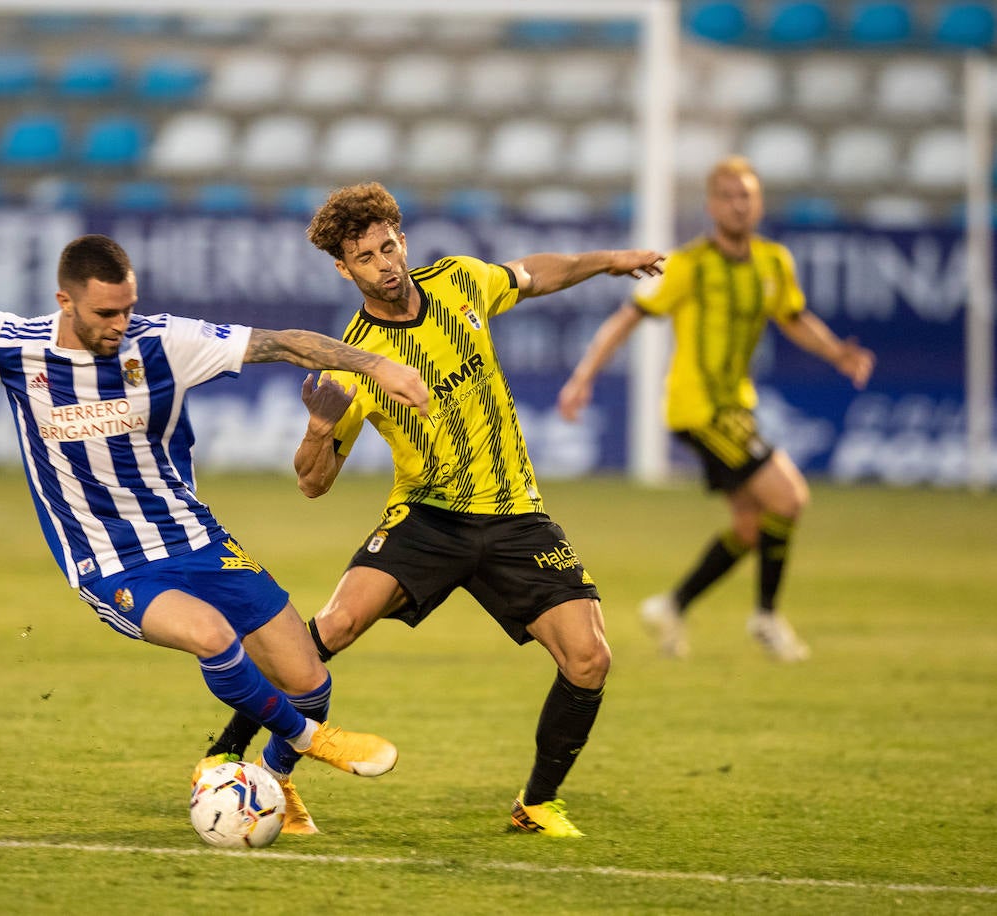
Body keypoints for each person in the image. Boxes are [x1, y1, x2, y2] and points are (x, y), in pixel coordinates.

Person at [0, 234, 433, 820]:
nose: (121, 323)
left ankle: (266, 778)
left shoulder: (166, 343)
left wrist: (379, 366)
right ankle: (309, 739)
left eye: (128, 308)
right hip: (110, 560)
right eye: (106, 312)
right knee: (211, 635)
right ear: (65, 302)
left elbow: (283, 343)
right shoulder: (14, 345)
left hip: (195, 538)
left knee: (310, 677)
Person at [197, 181, 665, 838]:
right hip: (427, 519)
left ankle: (536, 802)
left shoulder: (460, 284)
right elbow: (312, 484)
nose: (384, 264)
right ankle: (226, 752)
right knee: (334, 624)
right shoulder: (354, 361)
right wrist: (315, 430)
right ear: (344, 269)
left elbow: (534, 274)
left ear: (403, 240)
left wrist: (610, 260)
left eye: (388, 247)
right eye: (365, 257)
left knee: (589, 658)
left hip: (515, 516)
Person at [558, 155, 875, 662]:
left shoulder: (774, 263)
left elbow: (793, 318)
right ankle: (766, 616)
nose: (737, 204)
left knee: (751, 527)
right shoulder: (688, 264)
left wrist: (838, 352)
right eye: (727, 196)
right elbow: (628, 317)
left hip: (737, 408)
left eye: (745, 195)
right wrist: (583, 376)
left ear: (758, 202)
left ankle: (672, 606)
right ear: (711, 206)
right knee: (789, 498)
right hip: (697, 409)